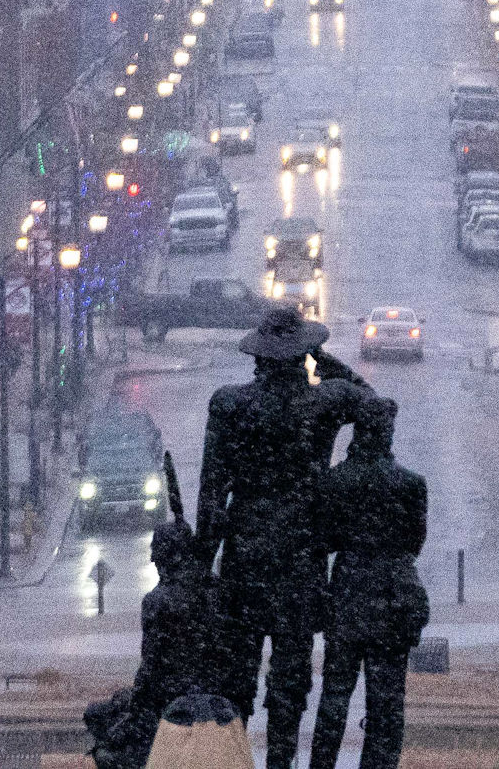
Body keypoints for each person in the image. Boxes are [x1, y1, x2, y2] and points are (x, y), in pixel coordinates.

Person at [194, 304, 369, 769]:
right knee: (290, 678)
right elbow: (375, 406)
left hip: (246, 551)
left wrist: (199, 565)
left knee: (237, 671)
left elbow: (211, 494)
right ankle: (280, 763)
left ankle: (232, 760)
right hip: (301, 550)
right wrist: (330, 364)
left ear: (259, 356)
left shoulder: (229, 404)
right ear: (302, 353)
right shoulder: (327, 400)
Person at [306, 395, 429, 769]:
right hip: (393, 602)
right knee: (387, 705)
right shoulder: (410, 485)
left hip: (347, 600)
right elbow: (414, 542)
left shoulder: (336, 482)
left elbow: (322, 542)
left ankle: (322, 764)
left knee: (334, 698)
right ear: (387, 433)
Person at [84, 471, 225, 769]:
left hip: (169, 704)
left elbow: (151, 669)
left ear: (166, 558)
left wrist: (134, 705)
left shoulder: (158, 602)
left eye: (158, 558)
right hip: (212, 696)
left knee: (102, 724)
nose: (156, 565)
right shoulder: (213, 590)